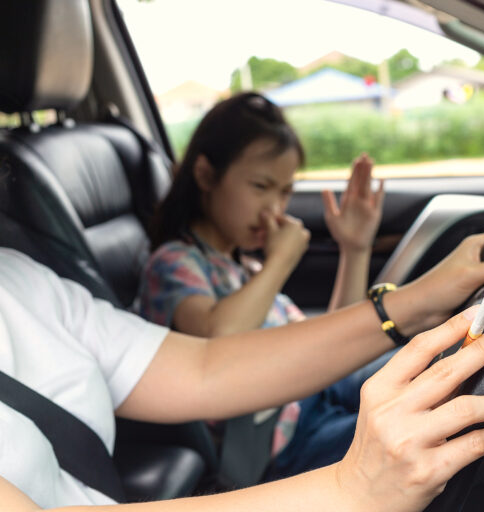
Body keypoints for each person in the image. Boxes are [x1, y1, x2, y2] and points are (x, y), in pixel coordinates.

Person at [0, 232, 484, 510]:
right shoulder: (178, 263)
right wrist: (352, 489)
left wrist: (410, 304)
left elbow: (204, 370)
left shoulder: (16, 280)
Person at [135, 92, 391, 480]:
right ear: (206, 175)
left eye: (285, 192)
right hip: (279, 440)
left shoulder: (245, 264)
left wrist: (355, 249)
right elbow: (218, 340)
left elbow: (329, 343)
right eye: (260, 186)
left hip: (312, 394)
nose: (274, 209)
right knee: (416, 434)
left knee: (426, 372)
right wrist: (281, 260)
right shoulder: (172, 264)